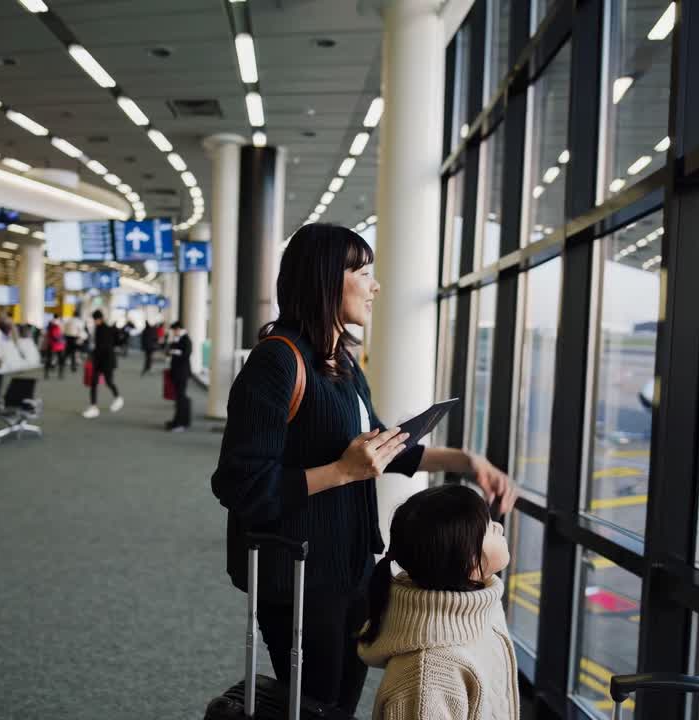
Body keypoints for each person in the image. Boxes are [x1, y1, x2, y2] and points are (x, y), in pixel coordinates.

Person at [210, 223, 517, 712]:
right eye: (365, 273)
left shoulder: (341, 363)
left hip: (351, 566)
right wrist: (342, 471)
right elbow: (238, 484)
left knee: (341, 700)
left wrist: (465, 461)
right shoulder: (278, 364)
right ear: (327, 280)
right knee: (318, 706)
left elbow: (381, 449)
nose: (375, 287)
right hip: (299, 575)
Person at [357, 485, 517, 720]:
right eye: (488, 528)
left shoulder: (481, 602)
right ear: (467, 561)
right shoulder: (427, 680)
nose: (499, 526)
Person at [82, 309, 123, 418]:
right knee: (95, 383)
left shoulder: (102, 329)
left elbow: (102, 347)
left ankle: (117, 398)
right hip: (103, 361)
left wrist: (92, 357)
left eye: (94, 319)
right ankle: (94, 406)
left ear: (98, 319)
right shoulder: (103, 328)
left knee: (107, 382)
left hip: (105, 361)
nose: (94, 321)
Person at [165, 321, 192, 432]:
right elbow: (168, 350)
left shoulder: (186, 340)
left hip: (182, 373)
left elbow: (186, 354)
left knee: (181, 398)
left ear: (179, 329)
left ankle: (181, 423)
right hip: (177, 373)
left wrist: (175, 351)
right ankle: (176, 421)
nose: (174, 333)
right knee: (179, 398)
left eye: (174, 330)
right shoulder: (178, 339)